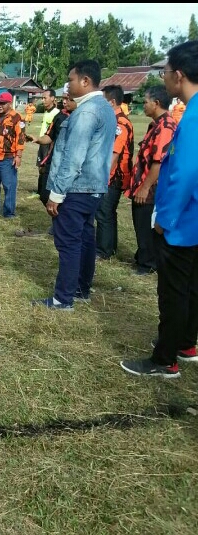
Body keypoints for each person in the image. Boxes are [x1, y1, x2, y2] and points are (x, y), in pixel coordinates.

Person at [121, 40, 198, 377]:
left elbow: (184, 174)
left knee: (173, 292)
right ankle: (186, 344)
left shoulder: (192, 118)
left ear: (178, 76)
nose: (164, 79)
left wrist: (164, 220)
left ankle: (164, 359)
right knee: (192, 287)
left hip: (183, 222)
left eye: (165, 73)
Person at [31, 59, 116, 310]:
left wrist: (56, 194)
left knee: (68, 243)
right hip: (94, 188)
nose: (67, 86)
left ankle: (63, 298)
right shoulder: (104, 108)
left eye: (70, 80)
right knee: (84, 239)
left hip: (77, 188)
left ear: (85, 81)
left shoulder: (87, 112)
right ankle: (80, 289)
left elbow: (74, 157)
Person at [126, 86, 176, 276]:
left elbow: (158, 162)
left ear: (156, 103)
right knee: (141, 222)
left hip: (152, 186)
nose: (143, 105)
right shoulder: (156, 125)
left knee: (145, 222)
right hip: (144, 183)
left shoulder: (165, 128)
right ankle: (144, 256)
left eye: (145, 102)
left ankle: (147, 263)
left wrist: (145, 188)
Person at [15, 87, 76, 237]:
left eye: (69, 99)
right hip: (53, 160)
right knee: (44, 193)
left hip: (70, 163)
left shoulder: (81, 118)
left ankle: (62, 227)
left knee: (65, 197)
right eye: (64, 98)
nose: (65, 101)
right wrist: (36, 139)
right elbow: (50, 136)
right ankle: (58, 222)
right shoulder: (60, 117)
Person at [95, 84, 134, 260]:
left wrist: (102, 178)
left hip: (113, 176)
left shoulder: (120, 123)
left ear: (111, 102)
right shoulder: (113, 120)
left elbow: (115, 153)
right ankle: (109, 247)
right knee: (107, 213)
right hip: (109, 175)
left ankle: (104, 250)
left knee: (104, 213)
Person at [33, 88, 60, 195]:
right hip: (42, 142)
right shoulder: (47, 112)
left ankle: (44, 191)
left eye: (45, 98)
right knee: (40, 166)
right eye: (42, 98)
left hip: (49, 144)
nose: (43, 100)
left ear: (53, 98)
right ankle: (39, 191)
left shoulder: (56, 113)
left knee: (45, 167)